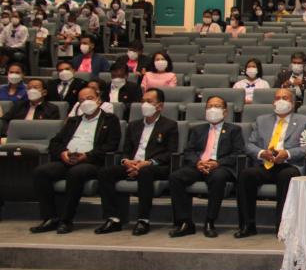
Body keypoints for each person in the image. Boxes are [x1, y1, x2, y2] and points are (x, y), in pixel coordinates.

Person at [29, 87, 121, 234]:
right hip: (67, 159)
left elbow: (111, 145)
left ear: (98, 100)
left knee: (75, 173)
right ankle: (50, 218)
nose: (86, 102)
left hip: (91, 162)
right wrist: (63, 153)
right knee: (40, 172)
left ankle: (66, 220)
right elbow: (55, 142)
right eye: (82, 100)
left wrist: (87, 156)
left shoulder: (110, 120)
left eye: (89, 98)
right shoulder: (73, 121)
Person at [94, 89, 178, 236]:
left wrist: (148, 162)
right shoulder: (133, 125)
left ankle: (143, 219)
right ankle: (113, 218)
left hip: (154, 166)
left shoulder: (169, 125)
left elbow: (170, 152)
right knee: (105, 172)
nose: (145, 104)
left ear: (160, 106)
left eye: (149, 101)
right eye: (143, 101)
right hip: (132, 164)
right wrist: (126, 161)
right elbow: (126, 150)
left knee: (145, 172)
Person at [235, 89, 306, 237]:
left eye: (285, 98)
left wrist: (287, 153)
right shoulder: (261, 120)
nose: (281, 101)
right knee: (246, 175)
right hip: (266, 163)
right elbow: (250, 145)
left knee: (287, 175)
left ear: (293, 103)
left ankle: (281, 227)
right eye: (277, 98)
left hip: (289, 164)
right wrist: (262, 153)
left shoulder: (305, 121)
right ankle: (247, 225)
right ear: (273, 103)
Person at [167, 97, 244, 238]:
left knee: (217, 177)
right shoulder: (197, 129)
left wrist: (217, 163)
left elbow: (238, 153)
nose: (213, 109)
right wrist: (198, 162)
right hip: (199, 165)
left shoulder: (234, 130)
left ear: (225, 112)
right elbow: (189, 151)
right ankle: (185, 222)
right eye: (209, 106)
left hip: (220, 166)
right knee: (175, 177)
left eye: (217, 106)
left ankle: (210, 221)